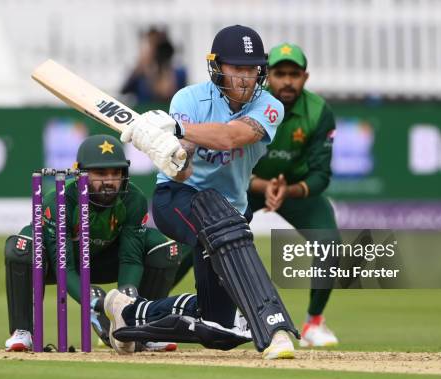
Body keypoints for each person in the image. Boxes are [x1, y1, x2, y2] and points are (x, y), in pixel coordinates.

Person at [102, 25, 299, 360]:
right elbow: (183, 171)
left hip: (230, 214)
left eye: (252, 69)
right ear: (217, 66)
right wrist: (166, 146)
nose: (245, 78)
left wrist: (176, 128)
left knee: (217, 326)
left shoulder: (270, 107)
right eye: (237, 68)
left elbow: (231, 137)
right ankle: (274, 327)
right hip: (177, 198)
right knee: (216, 215)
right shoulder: (188, 99)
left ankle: (129, 311)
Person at [4, 134, 187, 352]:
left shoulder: (133, 199)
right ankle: (22, 332)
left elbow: (130, 257)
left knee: (165, 249)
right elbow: (66, 267)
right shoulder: (60, 199)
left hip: (104, 261)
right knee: (22, 247)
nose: (109, 181)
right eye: (100, 173)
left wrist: (124, 304)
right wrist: (93, 302)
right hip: (55, 264)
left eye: (115, 173)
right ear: (80, 171)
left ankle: (144, 329)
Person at [249, 43, 339, 347]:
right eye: (279, 73)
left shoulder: (318, 111)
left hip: (295, 189)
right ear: (266, 76)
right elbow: (228, 156)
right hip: (245, 186)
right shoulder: (248, 103)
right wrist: (262, 185)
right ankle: (145, 313)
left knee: (329, 244)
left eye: (294, 74)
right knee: (205, 239)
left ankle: (314, 323)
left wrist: (288, 189)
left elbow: (321, 174)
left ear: (305, 76)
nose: (287, 81)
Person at [121, 27, 187, 104]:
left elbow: (169, 94)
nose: (156, 52)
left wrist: (166, 69)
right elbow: (124, 91)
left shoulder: (179, 72)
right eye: (151, 45)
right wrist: (142, 67)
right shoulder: (140, 74)